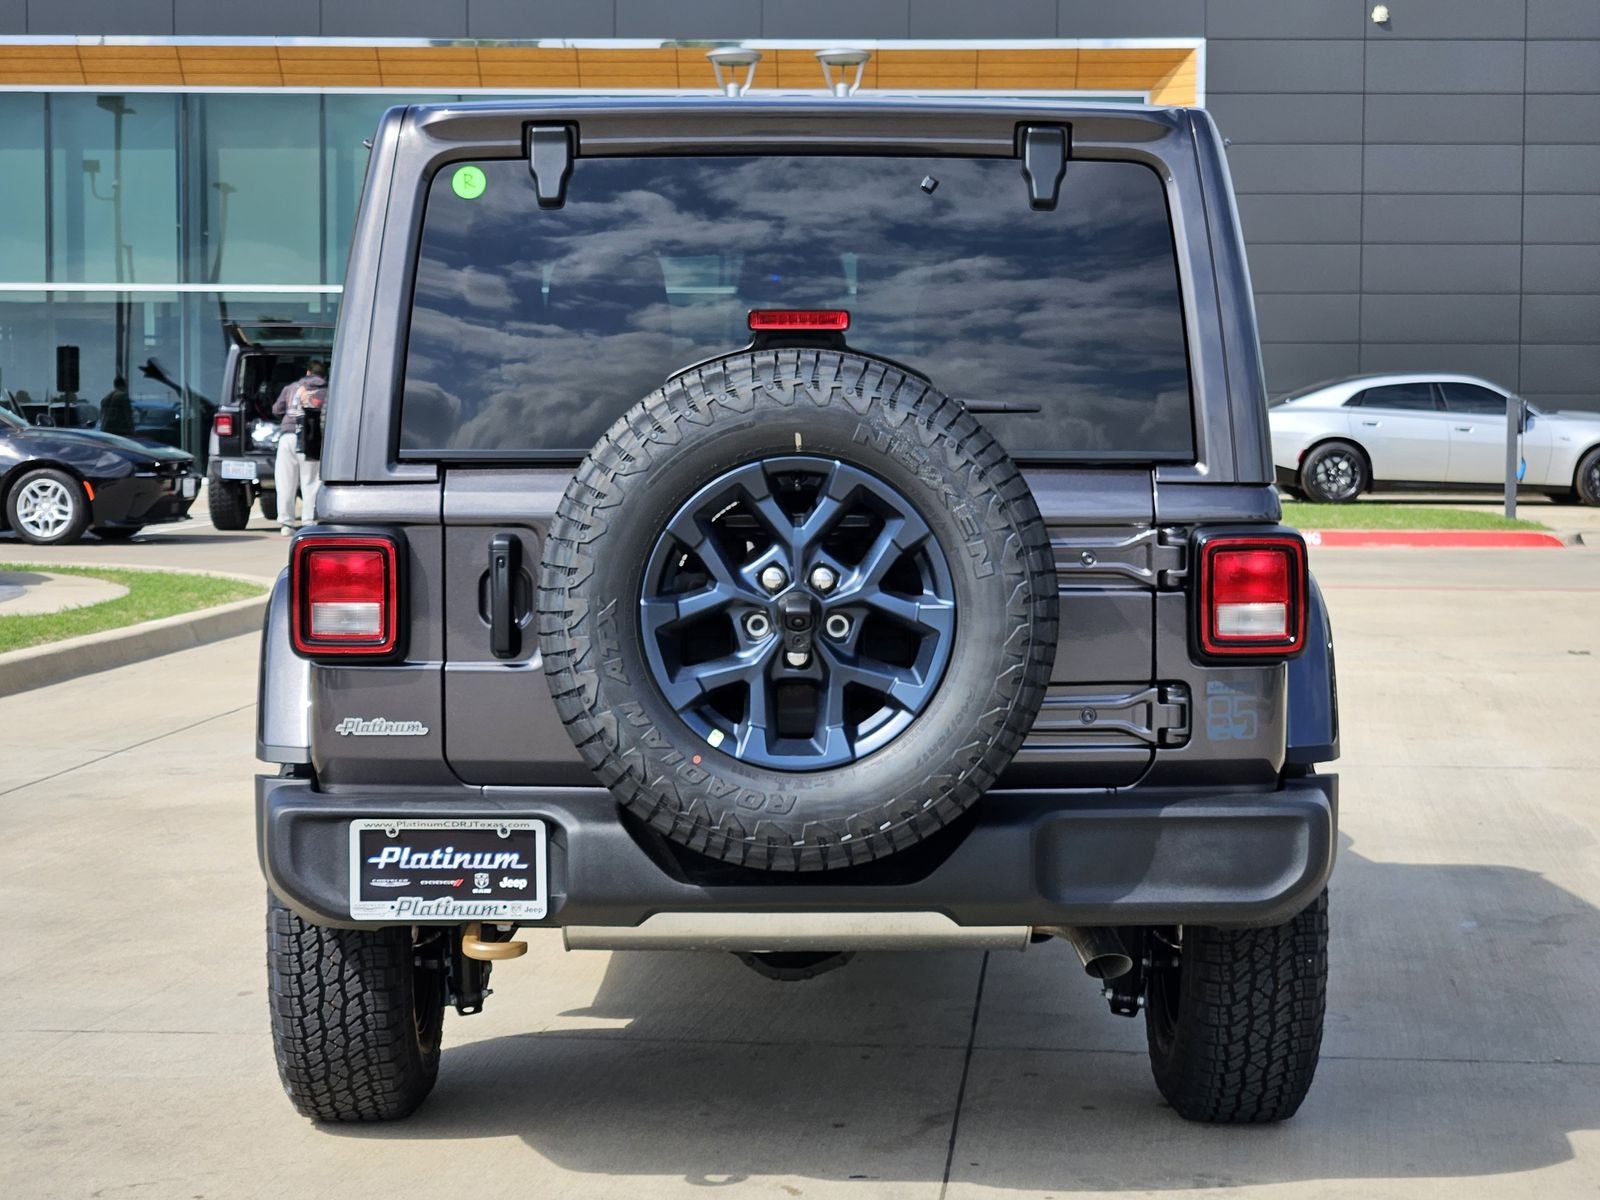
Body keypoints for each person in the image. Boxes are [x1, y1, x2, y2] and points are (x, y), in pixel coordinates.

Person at [272, 360, 328, 536]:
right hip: (311, 438)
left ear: (308, 372)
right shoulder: (328, 390)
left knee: (285, 481)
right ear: (323, 375)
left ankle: (286, 523)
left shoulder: (291, 387)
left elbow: (276, 410)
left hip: (288, 436)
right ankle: (308, 521)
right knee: (310, 481)